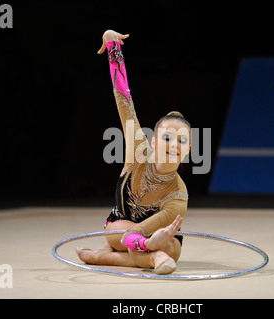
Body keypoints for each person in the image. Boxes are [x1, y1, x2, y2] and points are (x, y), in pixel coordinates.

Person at [76, 30, 191, 275]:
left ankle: (105, 256)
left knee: (171, 248)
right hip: (120, 227)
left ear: (189, 150)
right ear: (153, 141)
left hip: (156, 236)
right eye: (167, 137)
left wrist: (153, 241)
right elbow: (123, 98)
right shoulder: (138, 150)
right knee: (128, 238)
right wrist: (113, 47)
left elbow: (146, 231)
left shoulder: (179, 196)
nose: (174, 145)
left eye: (182, 141)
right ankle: (152, 259)